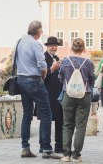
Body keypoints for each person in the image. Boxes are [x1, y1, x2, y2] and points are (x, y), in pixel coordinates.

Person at [16, 21, 61, 159]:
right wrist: (45, 74)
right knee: (47, 113)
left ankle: (25, 148)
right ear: (38, 31)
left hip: (21, 79)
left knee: (27, 114)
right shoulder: (36, 44)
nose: (42, 33)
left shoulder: (20, 41)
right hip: (34, 80)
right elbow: (42, 65)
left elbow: (15, 60)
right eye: (41, 31)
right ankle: (47, 149)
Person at [58, 38, 95, 162]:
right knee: (81, 126)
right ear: (84, 49)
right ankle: (76, 155)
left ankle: (66, 155)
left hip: (68, 95)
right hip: (84, 95)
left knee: (67, 125)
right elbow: (92, 79)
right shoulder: (88, 62)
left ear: (71, 48)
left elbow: (60, 77)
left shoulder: (65, 61)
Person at [36, 36, 63, 153]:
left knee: (59, 120)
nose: (54, 47)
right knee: (45, 120)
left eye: (56, 45)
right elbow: (40, 75)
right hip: (46, 93)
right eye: (52, 45)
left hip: (57, 94)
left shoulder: (57, 57)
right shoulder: (42, 57)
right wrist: (52, 68)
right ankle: (43, 145)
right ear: (47, 46)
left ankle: (59, 145)